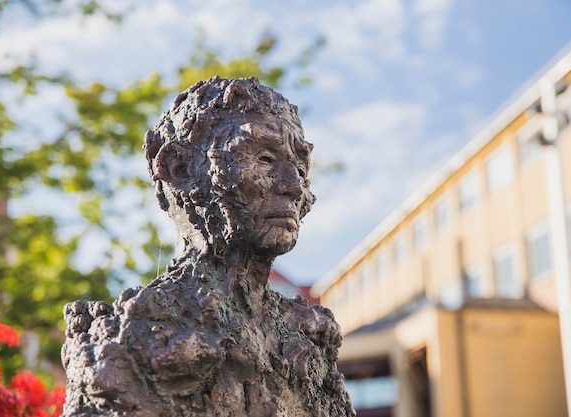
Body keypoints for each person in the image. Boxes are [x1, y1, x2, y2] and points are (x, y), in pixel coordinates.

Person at [62, 77, 355, 417]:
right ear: (179, 169)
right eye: (264, 159)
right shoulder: (135, 341)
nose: (293, 186)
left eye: (301, 168)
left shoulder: (310, 339)